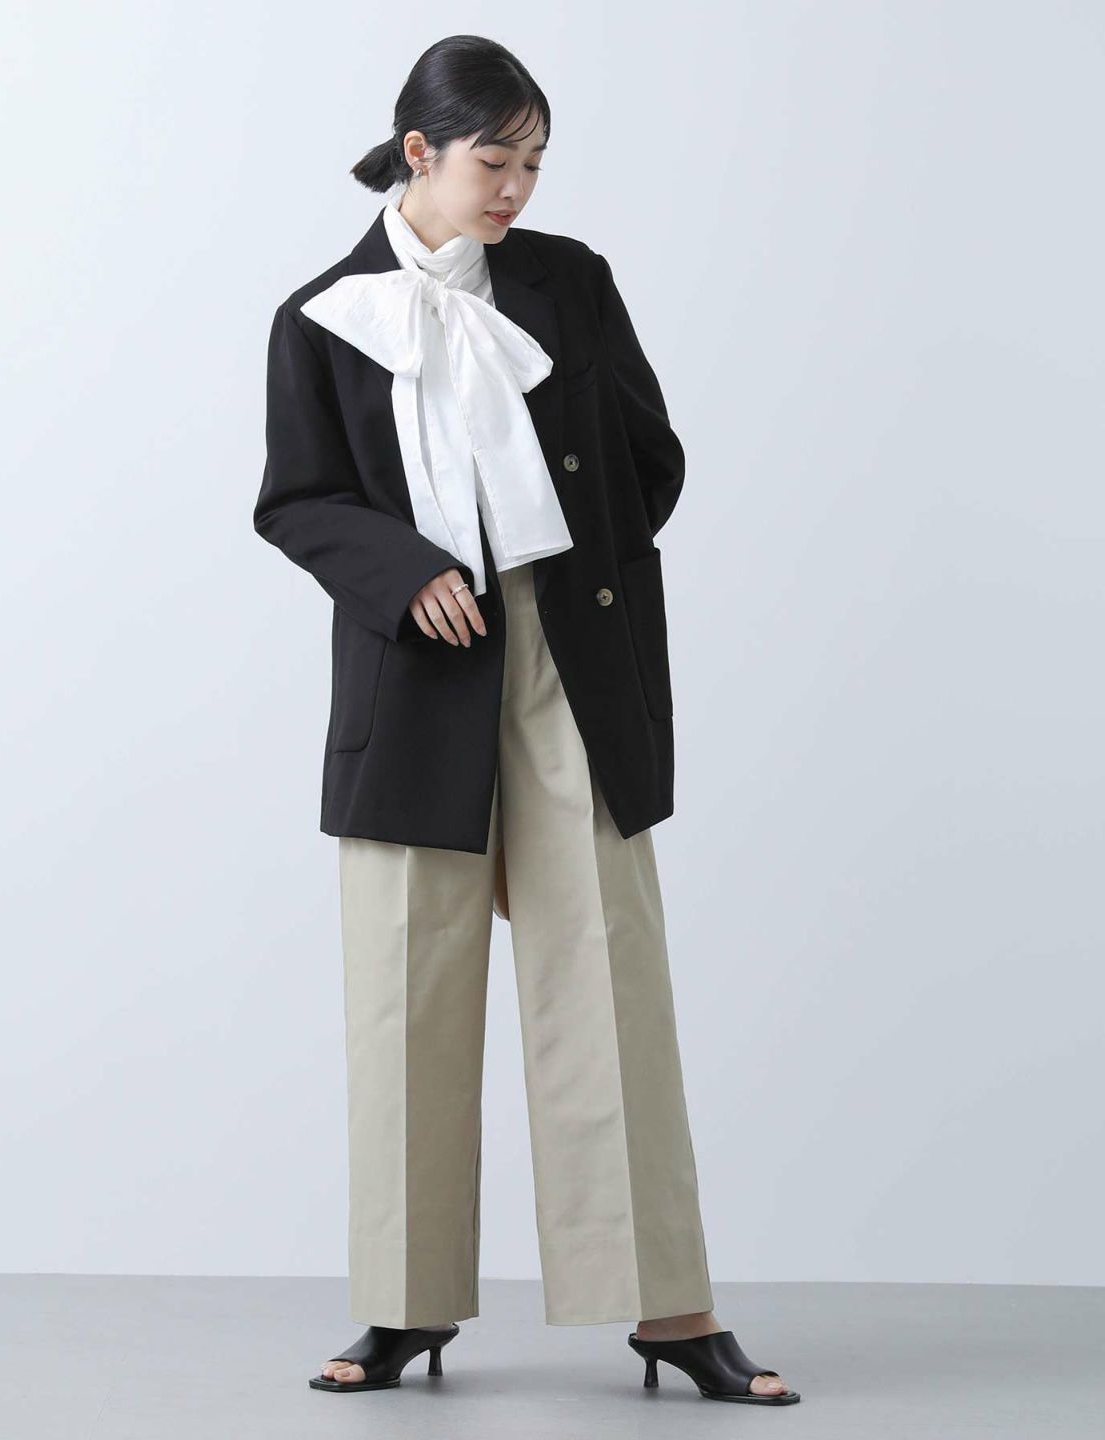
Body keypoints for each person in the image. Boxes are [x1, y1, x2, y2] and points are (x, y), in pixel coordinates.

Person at [254, 33, 800, 1407]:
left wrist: (567, 552)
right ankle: (404, 1307)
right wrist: (408, 574)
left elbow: (652, 455)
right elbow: (298, 501)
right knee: (406, 992)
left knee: (606, 974)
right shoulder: (318, 318)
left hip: (569, 652)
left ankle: (668, 1308)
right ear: (420, 151)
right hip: (417, 668)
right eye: (495, 160)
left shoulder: (570, 281)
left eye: (535, 164)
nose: (516, 188)